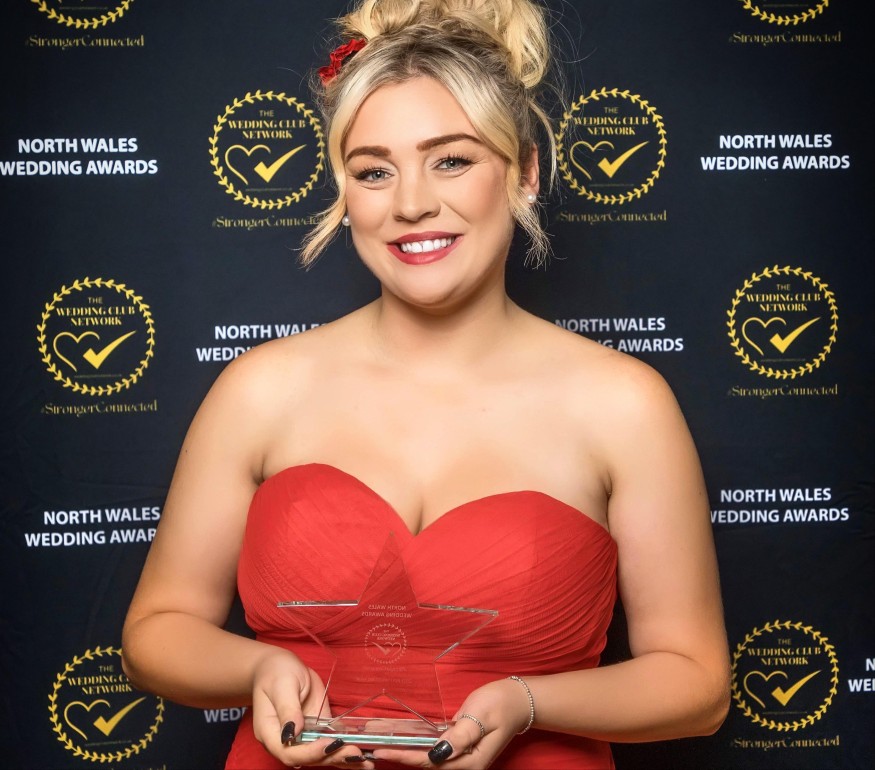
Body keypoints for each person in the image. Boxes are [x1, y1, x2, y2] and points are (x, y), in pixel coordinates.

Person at [121, 1, 731, 768]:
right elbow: (155, 635)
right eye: (374, 171)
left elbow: (697, 685)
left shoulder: (623, 404)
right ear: (346, 194)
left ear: (524, 172)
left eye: (451, 161)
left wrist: (527, 703)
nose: (410, 204)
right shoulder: (259, 389)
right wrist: (259, 668)